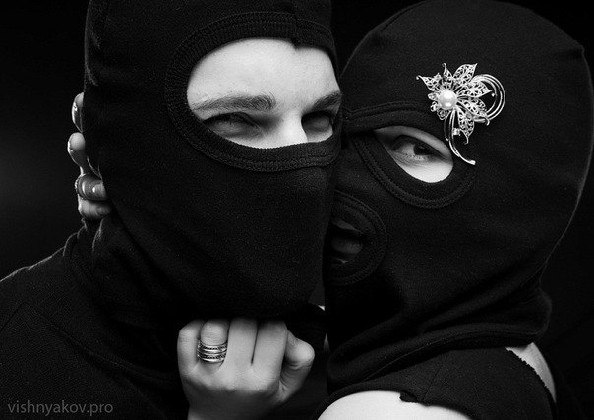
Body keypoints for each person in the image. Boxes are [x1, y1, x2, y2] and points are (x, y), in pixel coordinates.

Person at [68, 0, 594, 418]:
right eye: (341, 132)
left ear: (519, 201)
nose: (341, 180)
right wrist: (151, 183)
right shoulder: (515, 352)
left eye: (416, 147)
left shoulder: (395, 412)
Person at [0, 0, 342, 419]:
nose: (305, 176)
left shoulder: (350, 371)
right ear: (121, 136)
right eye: (235, 119)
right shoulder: (15, 359)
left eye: (320, 118)